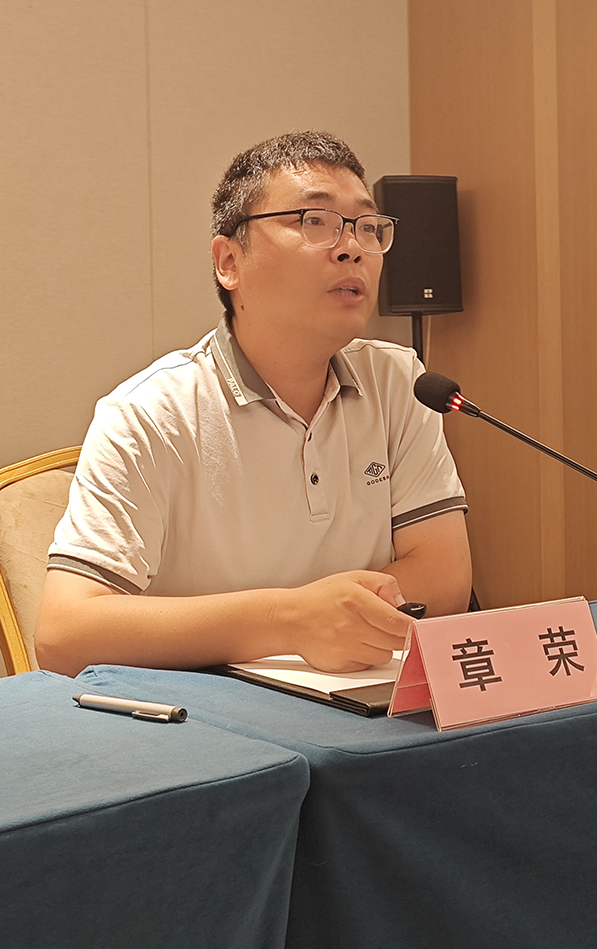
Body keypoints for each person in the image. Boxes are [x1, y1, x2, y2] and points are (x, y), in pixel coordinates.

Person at [35, 131, 471, 677]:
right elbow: (64, 633)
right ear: (229, 262)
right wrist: (291, 621)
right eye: (315, 221)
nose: (352, 247)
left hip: (363, 695)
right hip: (206, 707)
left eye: (367, 227)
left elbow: (445, 578)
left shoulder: (400, 382)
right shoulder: (149, 413)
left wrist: (327, 620)